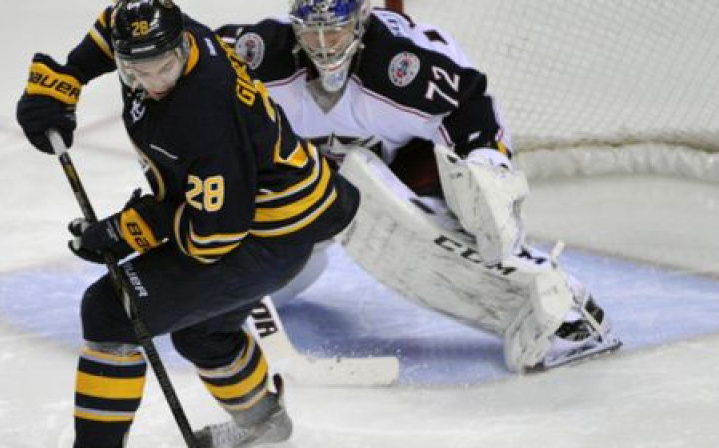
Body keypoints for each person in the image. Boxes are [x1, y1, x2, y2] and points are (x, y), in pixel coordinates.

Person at [15, 0, 359, 447]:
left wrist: (125, 231)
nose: (154, 84)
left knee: (111, 310)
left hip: (265, 232)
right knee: (203, 332)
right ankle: (264, 423)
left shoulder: (202, 113)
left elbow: (215, 235)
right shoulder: (175, 31)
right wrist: (68, 75)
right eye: (137, 70)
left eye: (164, 68)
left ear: (181, 48)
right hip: (280, 207)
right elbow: (117, 18)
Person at [214, 0, 620, 371]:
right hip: (307, 192)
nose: (322, 46)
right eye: (310, 32)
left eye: (334, 31)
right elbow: (192, 58)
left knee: (436, 222)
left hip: (401, 170)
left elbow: (470, 106)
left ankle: (568, 311)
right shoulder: (262, 53)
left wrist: (487, 170)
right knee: (222, 289)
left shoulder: (399, 67)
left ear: (359, 22)